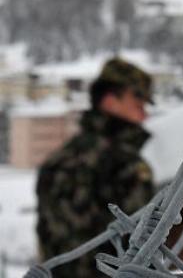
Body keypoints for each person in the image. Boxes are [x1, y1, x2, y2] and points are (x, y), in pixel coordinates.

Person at [35, 58, 156, 278]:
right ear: (110, 101)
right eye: (138, 104)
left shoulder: (61, 159)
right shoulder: (121, 164)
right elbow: (140, 247)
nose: (144, 115)